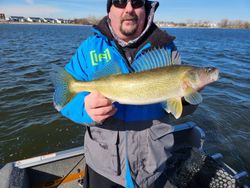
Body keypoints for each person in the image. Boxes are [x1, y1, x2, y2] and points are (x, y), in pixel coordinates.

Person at [59, 0, 197, 187]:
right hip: (102, 168)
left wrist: (187, 97)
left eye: (137, 2)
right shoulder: (89, 48)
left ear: (146, 9)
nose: (129, 8)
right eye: (120, 1)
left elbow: (181, 109)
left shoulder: (167, 49)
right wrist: (84, 108)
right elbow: (61, 99)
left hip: (153, 167)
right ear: (110, 10)